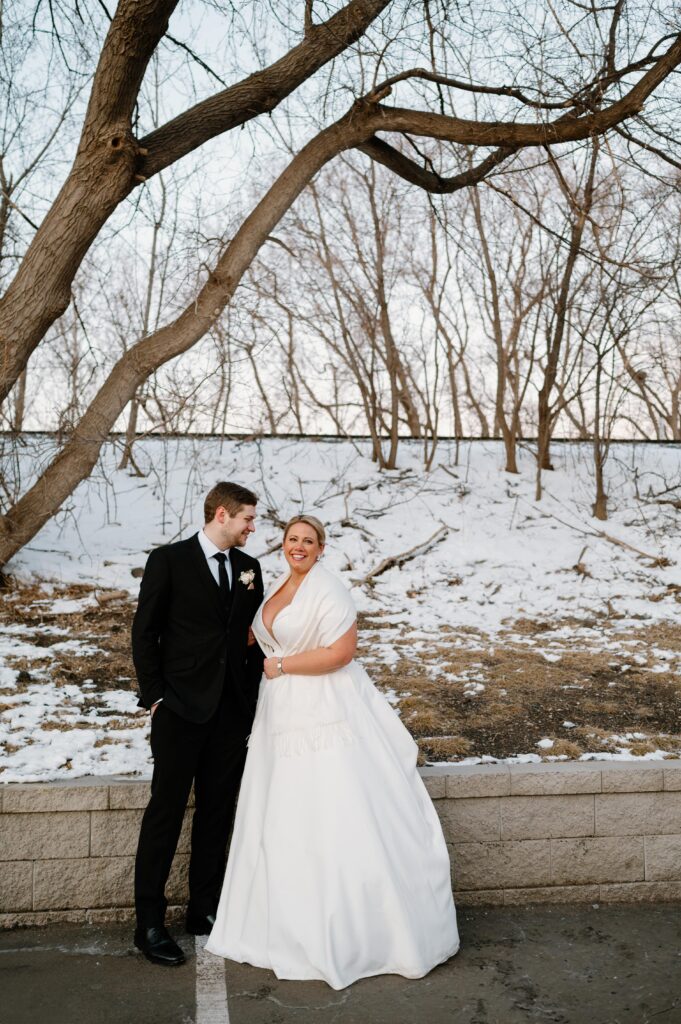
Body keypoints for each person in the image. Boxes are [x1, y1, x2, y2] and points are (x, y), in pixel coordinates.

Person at [206, 514, 459, 989]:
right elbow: (256, 634)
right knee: (282, 813)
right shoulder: (276, 585)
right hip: (279, 711)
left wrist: (280, 663)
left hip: (324, 709)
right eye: (291, 539)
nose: (298, 547)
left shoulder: (329, 589)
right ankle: (280, 925)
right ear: (282, 545)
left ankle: (352, 934)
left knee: (332, 810)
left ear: (321, 548)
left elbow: (341, 653)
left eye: (308, 541)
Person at [131, 481, 264, 966]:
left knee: (216, 813)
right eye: (248, 518)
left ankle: (204, 910)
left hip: (230, 714)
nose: (253, 527)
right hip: (180, 710)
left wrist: (249, 703)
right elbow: (144, 632)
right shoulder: (168, 560)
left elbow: (251, 637)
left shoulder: (250, 569)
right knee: (164, 813)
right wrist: (156, 698)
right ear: (223, 514)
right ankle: (148, 923)